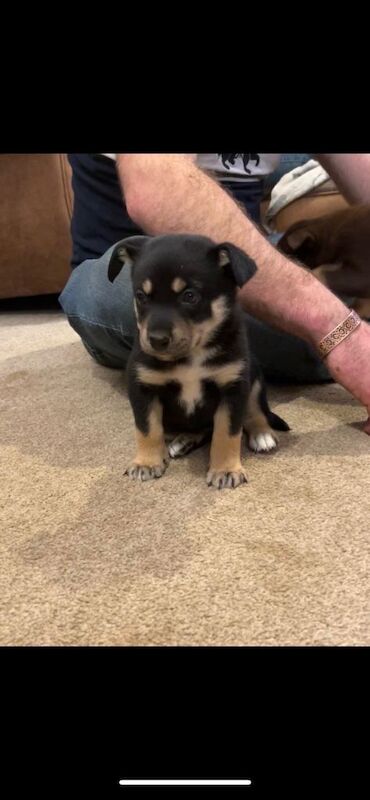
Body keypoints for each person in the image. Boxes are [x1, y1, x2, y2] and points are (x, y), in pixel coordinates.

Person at [59, 153, 370, 434]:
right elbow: (153, 189)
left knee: (320, 276)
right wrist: (337, 329)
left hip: (234, 264)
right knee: (292, 327)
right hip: (127, 267)